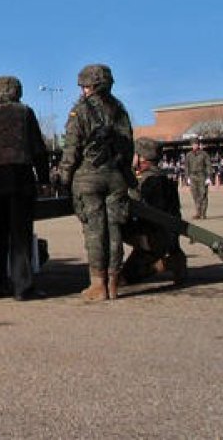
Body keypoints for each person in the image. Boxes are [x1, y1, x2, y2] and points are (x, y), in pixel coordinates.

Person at [59, 64, 134, 301]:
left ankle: (97, 284)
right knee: (114, 230)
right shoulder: (119, 109)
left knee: (95, 231)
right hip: (115, 176)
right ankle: (113, 283)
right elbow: (128, 145)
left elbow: (71, 149)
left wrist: (64, 176)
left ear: (88, 86)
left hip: (88, 176)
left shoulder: (80, 111)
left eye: (83, 86)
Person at [0, 76, 48, 300]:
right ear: (17, 91)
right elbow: (38, 149)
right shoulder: (24, 113)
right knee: (20, 236)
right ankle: (22, 287)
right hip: (18, 181)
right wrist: (45, 179)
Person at [122, 137, 187, 284]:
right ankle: (176, 257)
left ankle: (168, 264)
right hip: (169, 238)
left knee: (110, 226)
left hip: (152, 239)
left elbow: (131, 206)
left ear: (141, 157)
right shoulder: (163, 177)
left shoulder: (144, 180)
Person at [185, 139, 211, 219]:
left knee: (203, 195)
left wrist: (208, 177)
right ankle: (198, 213)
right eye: (193, 144)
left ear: (198, 145)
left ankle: (203, 213)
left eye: (196, 144)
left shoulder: (204, 154)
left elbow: (208, 165)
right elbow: (186, 167)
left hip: (202, 176)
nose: (194, 145)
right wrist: (187, 177)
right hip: (192, 176)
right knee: (195, 195)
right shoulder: (189, 155)